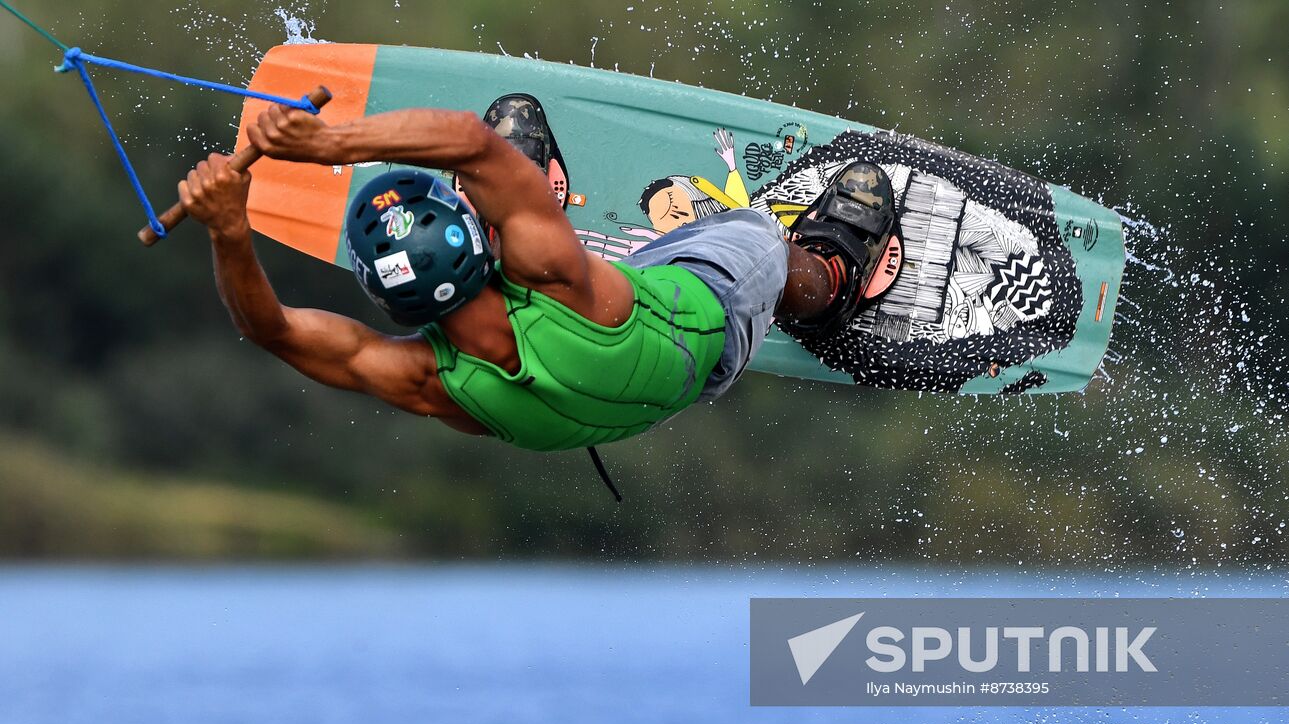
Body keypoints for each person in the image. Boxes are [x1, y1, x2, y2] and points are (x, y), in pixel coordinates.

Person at [179, 94, 897, 467]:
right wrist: (328, 144)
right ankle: (831, 284)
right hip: (704, 321)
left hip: (624, 394)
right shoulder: (552, 275)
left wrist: (228, 228)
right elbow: (471, 141)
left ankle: (520, 197)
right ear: (477, 245)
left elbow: (266, 327)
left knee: (564, 262)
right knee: (760, 237)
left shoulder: (425, 379)